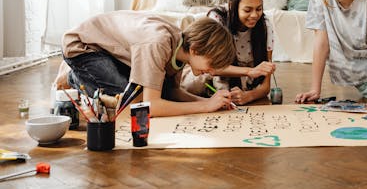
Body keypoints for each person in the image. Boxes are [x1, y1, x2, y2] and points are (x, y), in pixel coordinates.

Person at [53, 11, 237, 117]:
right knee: (133, 102)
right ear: (196, 49)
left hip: (114, 54)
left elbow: (172, 92)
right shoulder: (159, 43)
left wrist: (210, 102)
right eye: (212, 64)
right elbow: (151, 105)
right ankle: (73, 75)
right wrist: (205, 107)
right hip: (83, 46)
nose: (212, 72)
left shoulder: (181, 52)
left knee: (161, 93)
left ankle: (78, 74)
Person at [182, 0, 276, 105]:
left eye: (259, 9)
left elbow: (265, 87)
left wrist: (248, 96)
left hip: (244, 80)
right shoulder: (218, 19)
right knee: (190, 87)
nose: (254, 15)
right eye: (247, 10)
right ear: (232, 6)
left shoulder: (265, 26)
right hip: (212, 72)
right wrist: (249, 71)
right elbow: (211, 67)